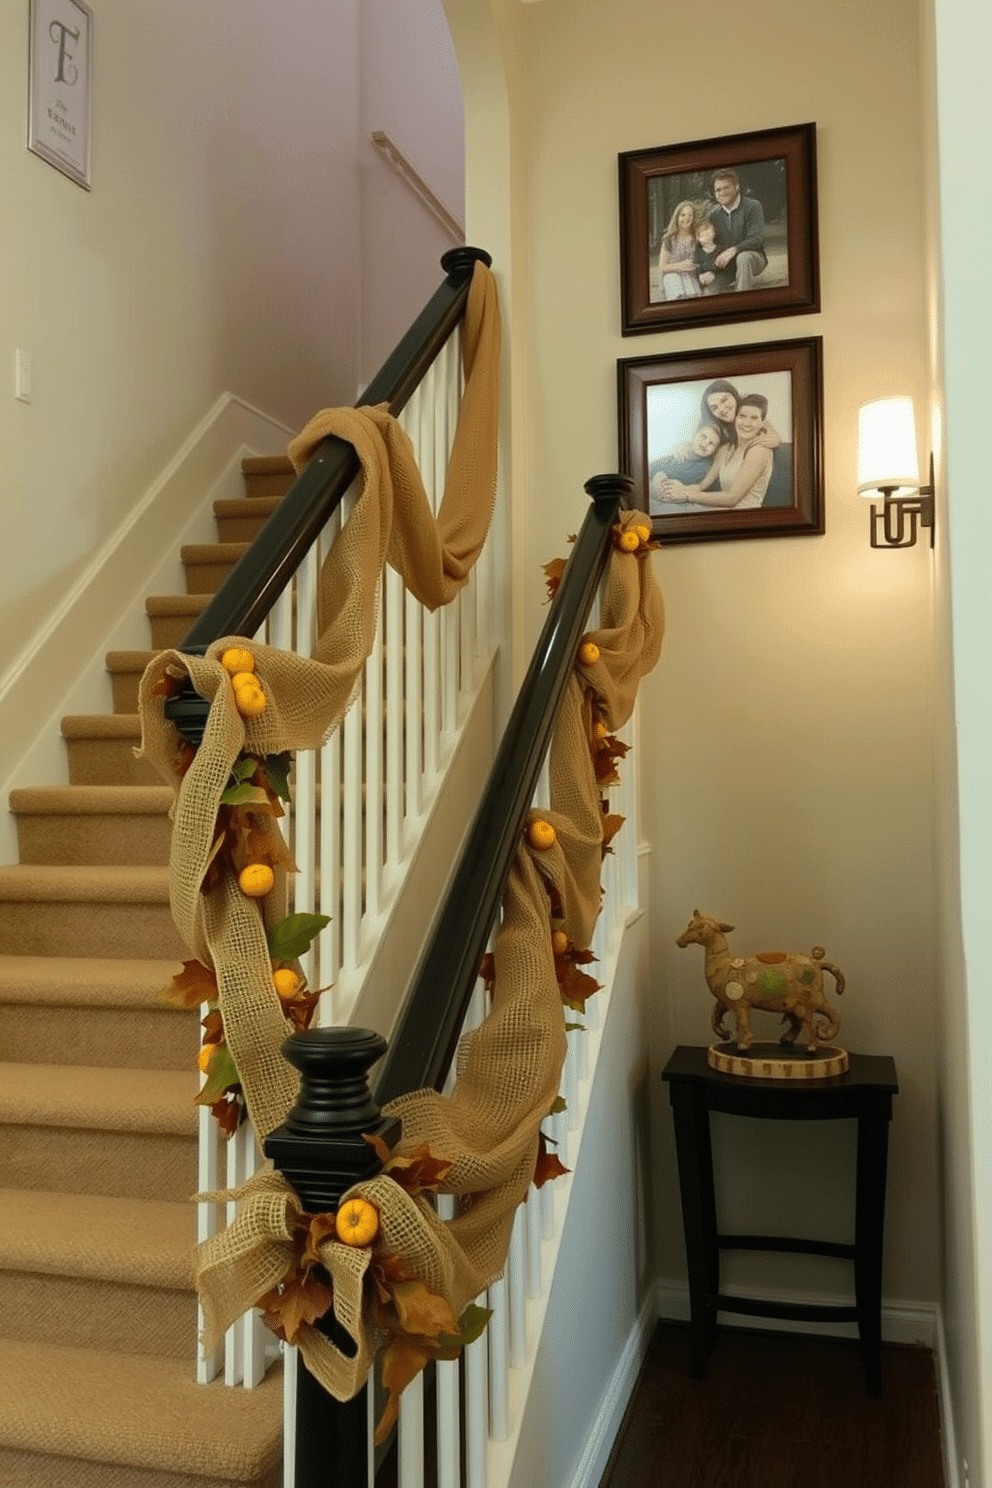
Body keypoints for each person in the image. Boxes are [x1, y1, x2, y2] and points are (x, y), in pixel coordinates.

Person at [655, 395, 776, 510]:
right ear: (735, 418)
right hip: (720, 509)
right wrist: (674, 490)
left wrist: (687, 494)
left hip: (743, 517)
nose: (747, 423)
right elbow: (702, 485)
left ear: (762, 422)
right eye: (742, 416)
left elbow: (731, 498)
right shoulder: (725, 449)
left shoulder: (760, 449)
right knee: (661, 505)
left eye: (754, 418)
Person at [708, 169, 767, 292]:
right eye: (718, 190)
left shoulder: (753, 206)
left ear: (736, 186)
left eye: (726, 188)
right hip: (727, 265)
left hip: (753, 258)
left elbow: (757, 239)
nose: (722, 193)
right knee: (709, 288)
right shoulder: (713, 216)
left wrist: (734, 249)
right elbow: (708, 245)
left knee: (743, 258)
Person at [648, 422, 721, 513]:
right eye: (703, 437)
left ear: (714, 451)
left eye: (711, 443)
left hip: (681, 494)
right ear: (694, 436)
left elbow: (705, 487)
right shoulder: (679, 455)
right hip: (660, 486)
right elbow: (651, 468)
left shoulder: (708, 466)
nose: (706, 443)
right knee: (658, 475)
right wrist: (659, 478)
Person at [658, 201, 702, 300]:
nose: (686, 218)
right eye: (683, 215)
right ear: (677, 217)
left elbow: (703, 260)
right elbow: (663, 266)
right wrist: (681, 266)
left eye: (690, 215)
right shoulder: (669, 239)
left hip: (691, 277)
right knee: (677, 294)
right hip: (672, 276)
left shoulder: (698, 238)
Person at [695, 218, 735, 296]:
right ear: (698, 238)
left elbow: (726, 266)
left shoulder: (720, 249)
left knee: (710, 290)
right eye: (703, 236)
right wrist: (700, 275)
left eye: (708, 234)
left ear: (713, 234)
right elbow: (696, 265)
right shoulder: (698, 252)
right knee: (697, 289)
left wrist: (712, 273)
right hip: (703, 277)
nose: (706, 238)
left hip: (719, 275)